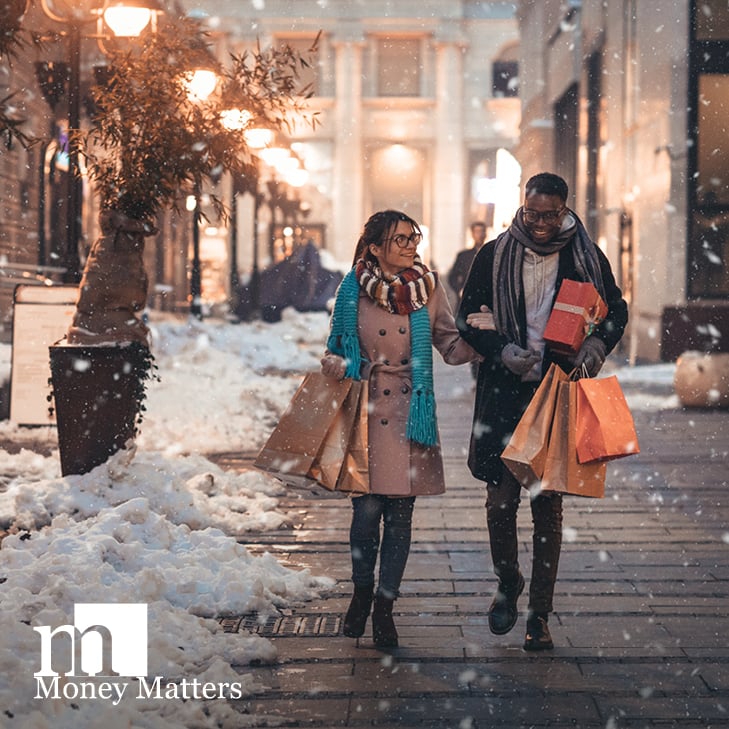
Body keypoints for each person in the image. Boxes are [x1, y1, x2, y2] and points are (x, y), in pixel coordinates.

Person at [456, 173, 628, 651]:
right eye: (532, 214)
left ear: (565, 209)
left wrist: (595, 343)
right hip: (504, 397)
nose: (540, 224)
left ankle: (540, 614)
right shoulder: (493, 254)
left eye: (550, 215)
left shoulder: (585, 256)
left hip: (556, 393)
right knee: (499, 504)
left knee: (546, 508)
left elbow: (616, 310)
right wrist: (501, 349)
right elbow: (467, 317)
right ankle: (509, 583)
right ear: (522, 207)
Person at [321, 209, 479, 649]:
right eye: (400, 239)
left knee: (401, 517)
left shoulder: (428, 288)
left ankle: (385, 608)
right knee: (366, 511)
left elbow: (448, 342)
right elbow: (337, 346)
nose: (411, 245)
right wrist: (339, 363)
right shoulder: (352, 288)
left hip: (412, 410)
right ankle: (361, 592)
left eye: (414, 237)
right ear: (374, 247)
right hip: (368, 407)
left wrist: (483, 339)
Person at [447, 221, 488, 300]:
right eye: (477, 232)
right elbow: (452, 277)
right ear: (472, 234)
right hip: (467, 298)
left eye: (482, 231)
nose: (480, 235)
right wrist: (459, 290)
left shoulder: (491, 253)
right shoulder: (463, 256)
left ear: (485, 234)